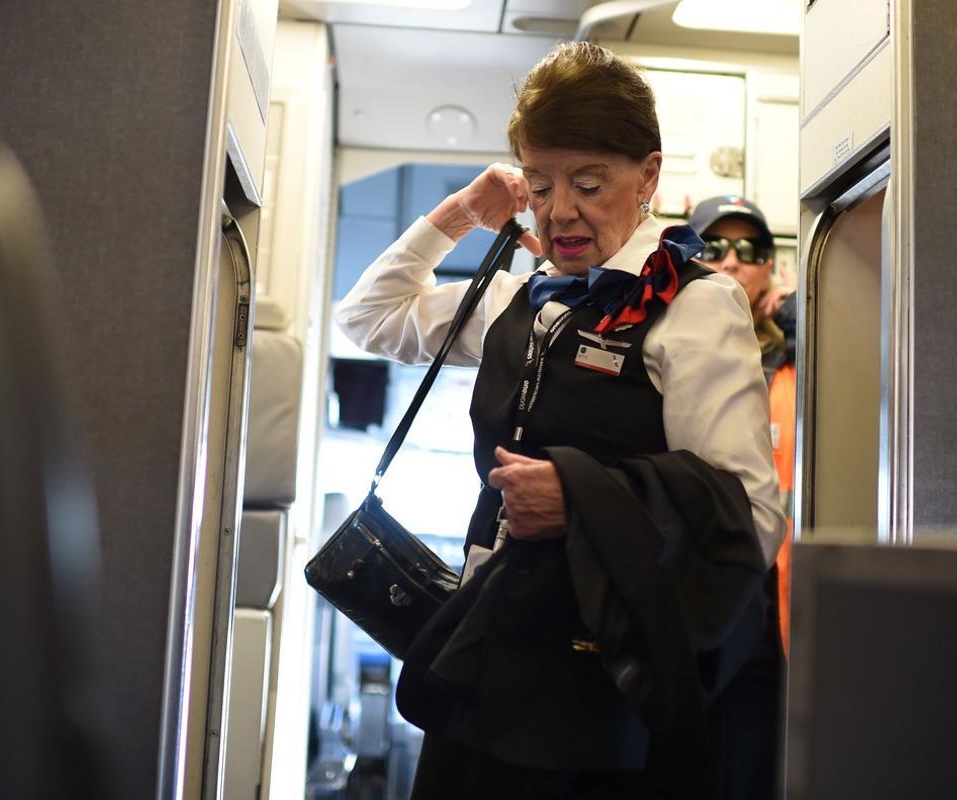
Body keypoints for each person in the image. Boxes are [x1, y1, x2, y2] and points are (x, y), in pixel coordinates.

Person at [336, 42, 783, 799]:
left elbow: (751, 515)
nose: (560, 210)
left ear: (648, 176)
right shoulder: (522, 298)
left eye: (587, 182)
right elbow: (368, 319)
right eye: (539, 185)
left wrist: (581, 501)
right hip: (488, 647)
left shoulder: (694, 304)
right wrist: (458, 218)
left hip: (597, 684)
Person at [689, 196, 796, 656]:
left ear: (768, 268)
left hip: (775, 592)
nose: (733, 260)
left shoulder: (797, 357)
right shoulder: (656, 344)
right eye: (715, 247)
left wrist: (808, 313)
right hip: (690, 584)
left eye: (749, 251)